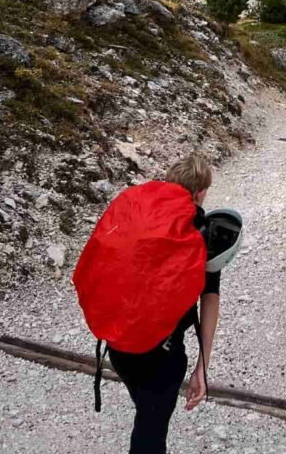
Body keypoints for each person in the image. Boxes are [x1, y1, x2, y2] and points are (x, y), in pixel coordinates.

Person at [107, 153, 221, 453]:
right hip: (163, 354)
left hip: (119, 345)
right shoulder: (202, 232)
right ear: (199, 192)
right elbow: (210, 300)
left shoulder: (138, 215)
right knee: (150, 434)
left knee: (147, 415)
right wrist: (202, 369)